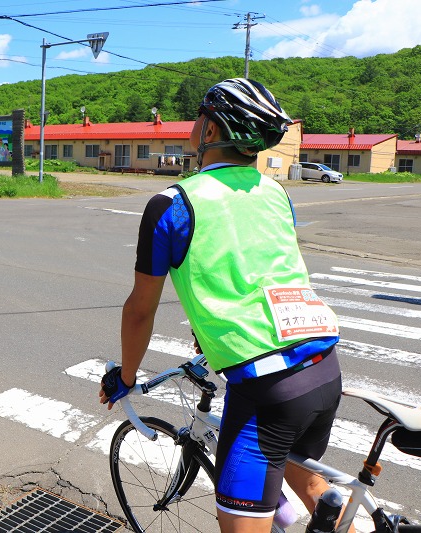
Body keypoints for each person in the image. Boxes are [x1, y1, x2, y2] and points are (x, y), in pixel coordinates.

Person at [99, 78, 346, 533]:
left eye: (198, 117)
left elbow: (140, 309)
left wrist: (126, 378)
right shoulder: (277, 193)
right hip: (324, 366)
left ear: (210, 131)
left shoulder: (174, 204)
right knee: (313, 492)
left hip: (267, 390)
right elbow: (257, 269)